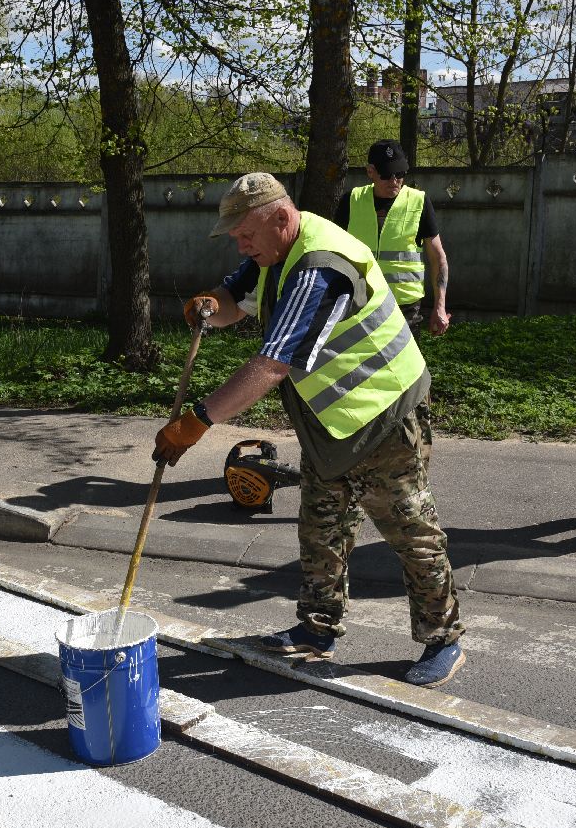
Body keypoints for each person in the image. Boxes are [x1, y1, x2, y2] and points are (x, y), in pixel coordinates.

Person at [154, 172, 466, 687]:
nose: (241, 245)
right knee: (322, 527)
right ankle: (316, 630)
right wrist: (209, 306)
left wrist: (198, 421)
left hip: (385, 417)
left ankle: (444, 638)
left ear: (280, 217)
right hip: (332, 421)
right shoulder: (274, 252)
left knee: (411, 532)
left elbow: (274, 363)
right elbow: (233, 299)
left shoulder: (320, 269)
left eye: (245, 234)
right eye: (235, 237)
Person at [335, 139, 450, 335]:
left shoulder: (419, 201)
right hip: (360, 305)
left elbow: (438, 258)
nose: (394, 180)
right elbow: (334, 253)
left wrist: (440, 306)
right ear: (370, 172)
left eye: (400, 173)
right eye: (387, 174)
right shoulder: (351, 201)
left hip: (405, 309)